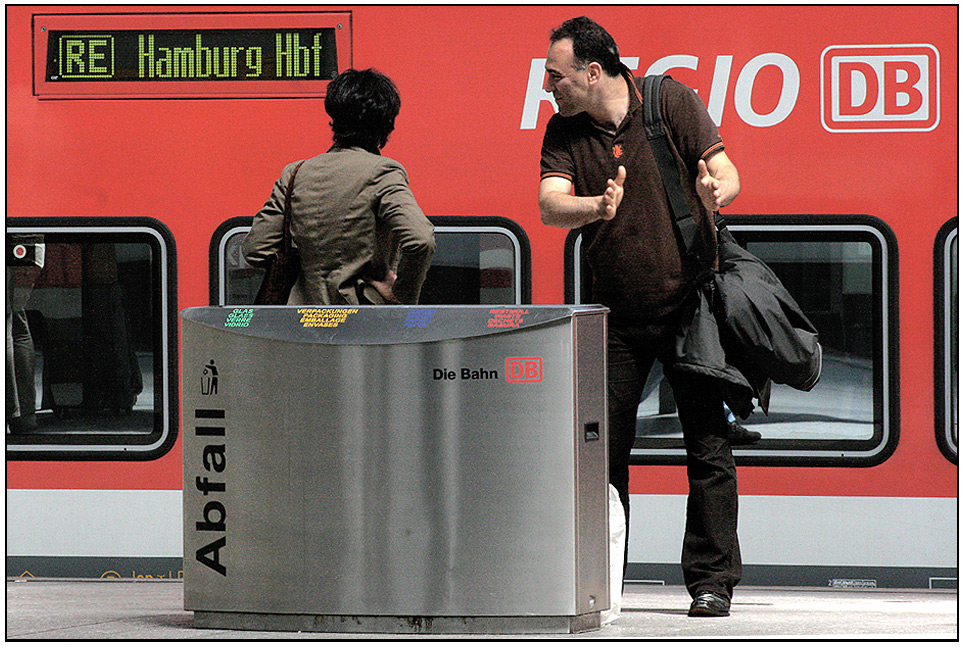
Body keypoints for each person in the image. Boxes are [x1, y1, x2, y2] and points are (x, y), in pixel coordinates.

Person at [538, 17, 742, 617]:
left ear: (592, 72)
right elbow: (550, 205)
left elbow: (726, 169)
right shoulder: (563, 131)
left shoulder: (668, 99)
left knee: (708, 447)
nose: (548, 86)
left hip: (690, 305)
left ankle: (711, 582)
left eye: (557, 75)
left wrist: (717, 192)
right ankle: (603, 581)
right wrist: (594, 205)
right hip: (619, 317)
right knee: (602, 453)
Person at [243, 68, 435, 305]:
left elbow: (254, 250)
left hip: (303, 324)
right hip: (361, 324)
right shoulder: (383, 172)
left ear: (334, 118)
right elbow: (421, 240)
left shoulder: (295, 173)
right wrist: (401, 297)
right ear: (387, 125)